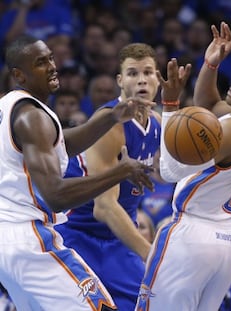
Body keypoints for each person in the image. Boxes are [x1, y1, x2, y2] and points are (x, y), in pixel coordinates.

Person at [136, 21, 231, 311]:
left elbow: (169, 171)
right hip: (228, 239)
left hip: (192, 235)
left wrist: (168, 106)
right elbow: (209, 105)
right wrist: (211, 64)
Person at [0, 35, 154, 310]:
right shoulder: (32, 117)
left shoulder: (10, 105)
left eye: (50, 58)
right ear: (19, 75)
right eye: (40, 63)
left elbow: (62, 143)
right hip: (28, 239)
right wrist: (119, 172)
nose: (51, 66)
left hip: (7, 239)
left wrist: (111, 116)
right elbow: (57, 195)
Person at [55, 43, 166, 311]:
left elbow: (164, 173)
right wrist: (152, 254)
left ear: (158, 79)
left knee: (156, 302)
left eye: (148, 72)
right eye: (132, 73)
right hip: (77, 233)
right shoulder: (110, 123)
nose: (141, 79)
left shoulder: (158, 122)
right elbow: (103, 208)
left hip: (119, 237)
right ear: (120, 81)